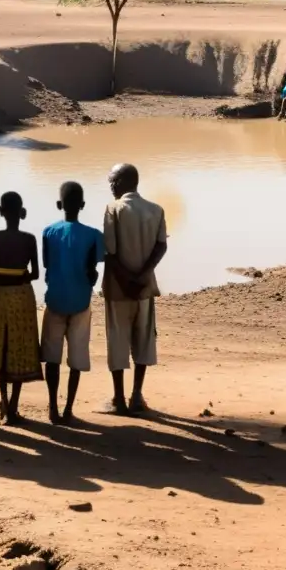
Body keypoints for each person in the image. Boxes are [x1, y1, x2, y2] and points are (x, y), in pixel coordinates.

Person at [102, 164, 167, 416]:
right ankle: (137, 396)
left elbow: (110, 252)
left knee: (117, 339)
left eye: (111, 181)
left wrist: (127, 279)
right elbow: (161, 246)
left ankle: (119, 398)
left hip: (119, 288)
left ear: (120, 183)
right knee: (144, 338)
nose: (110, 186)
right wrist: (142, 276)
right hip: (144, 287)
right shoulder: (156, 210)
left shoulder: (113, 209)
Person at [41, 182, 104, 425]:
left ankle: (53, 408)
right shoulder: (93, 235)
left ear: (59, 205)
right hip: (81, 302)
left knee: (52, 357)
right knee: (76, 359)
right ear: (83, 206)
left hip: (55, 299)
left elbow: (47, 263)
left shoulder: (48, 232)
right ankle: (68, 409)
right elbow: (95, 266)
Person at [0, 191, 42, 425]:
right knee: (19, 347)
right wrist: (22, 273)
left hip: (0, 294)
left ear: (0, 212)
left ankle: (4, 402)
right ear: (22, 212)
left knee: (2, 344)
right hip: (21, 294)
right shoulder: (29, 239)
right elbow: (36, 274)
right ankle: (14, 407)